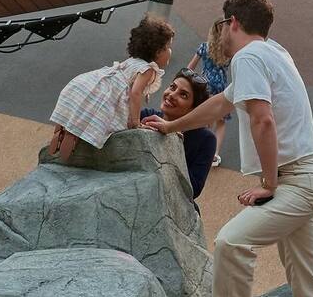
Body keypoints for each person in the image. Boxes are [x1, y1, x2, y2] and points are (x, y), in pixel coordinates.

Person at [143, 0, 313, 297]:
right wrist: (172, 125)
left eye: (224, 25)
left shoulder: (247, 57)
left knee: (232, 241)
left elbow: (262, 119)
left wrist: (268, 182)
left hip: (292, 180)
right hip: (309, 177)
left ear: (233, 23)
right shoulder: (275, 53)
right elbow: (220, 104)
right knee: (308, 281)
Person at [48, 15, 174, 162]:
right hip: (111, 94)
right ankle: (72, 139)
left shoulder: (133, 61)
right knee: (97, 117)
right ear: (158, 51)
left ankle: (64, 130)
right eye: (168, 47)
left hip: (96, 82)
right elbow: (135, 92)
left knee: (83, 110)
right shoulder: (148, 70)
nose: (170, 51)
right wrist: (135, 122)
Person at [141, 68, 216, 203]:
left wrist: (172, 140)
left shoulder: (205, 140)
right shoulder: (146, 116)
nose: (171, 95)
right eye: (172, 87)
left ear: (194, 109)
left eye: (183, 95)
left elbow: (193, 189)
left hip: (171, 206)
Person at [187, 24, 232, 168]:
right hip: (221, 86)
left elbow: (190, 68)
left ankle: (200, 148)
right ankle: (214, 154)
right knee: (221, 121)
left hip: (205, 84)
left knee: (205, 117)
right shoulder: (228, 51)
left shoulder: (204, 47)